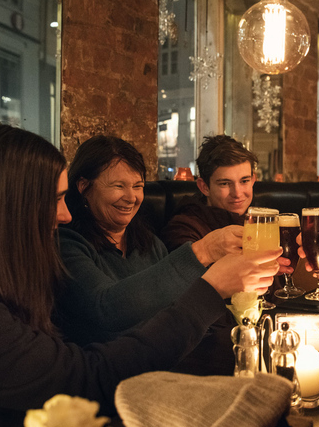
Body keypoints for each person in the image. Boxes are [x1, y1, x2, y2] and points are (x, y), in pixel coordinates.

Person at [0, 124, 280, 427]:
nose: (64, 214)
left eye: (137, 185)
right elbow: (85, 376)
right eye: (55, 198)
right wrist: (210, 287)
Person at [58, 135, 244, 344]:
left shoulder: (149, 244)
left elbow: (180, 312)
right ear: (84, 187)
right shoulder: (66, 243)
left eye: (138, 186)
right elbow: (106, 310)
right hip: (103, 370)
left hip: (163, 364)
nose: (131, 197)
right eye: (119, 186)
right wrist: (203, 251)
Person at [160, 134, 258, 251]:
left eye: (244, 181)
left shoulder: (261, 222)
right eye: (225, 183)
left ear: (253, 180)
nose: (237, 193)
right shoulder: (183, 229)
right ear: (204, 187)